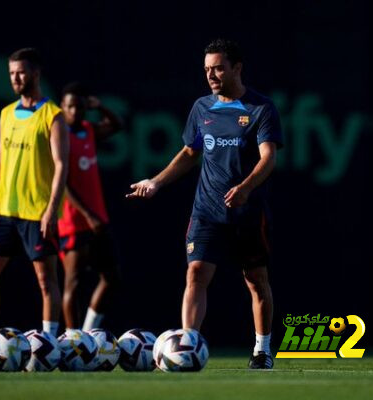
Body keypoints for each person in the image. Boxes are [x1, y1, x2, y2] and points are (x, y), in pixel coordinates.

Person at [127, 38, 283, 369]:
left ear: (237, 68)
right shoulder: (202, 108)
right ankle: (185, 346)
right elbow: (189, 153)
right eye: (207, 69)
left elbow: (268, 158)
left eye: (218, 68)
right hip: (207, 211)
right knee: (195, 273)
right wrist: (156, 181)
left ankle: (262, 349)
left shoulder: (260, 108)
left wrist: (245, 187)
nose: (211, 75)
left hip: (247, 213)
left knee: (256, 281)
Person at [0, 48, 69, 353]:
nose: (16, 78)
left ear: (35, 74)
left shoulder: (53, 115)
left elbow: (61, 165)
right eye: (12, 73)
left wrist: (52, 209)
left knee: (45, 280)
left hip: (37, 213)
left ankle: (48, 344)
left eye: (21, 72)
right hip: (4, 212)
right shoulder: (6, 113)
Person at [57, 82, 123, 331]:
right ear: (62, 108)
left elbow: (117, 125)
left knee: (112, 278)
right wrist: (87, 214)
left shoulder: (88, 129)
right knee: (72, 283)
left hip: (98, 219)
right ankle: (73, 341)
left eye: (79, 106)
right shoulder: (59, 135)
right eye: (69, 106)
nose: (74, 111)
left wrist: (101, 106)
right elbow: (62, 183)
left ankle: (86, 333)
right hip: (74, 221)